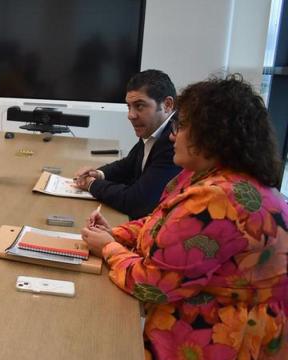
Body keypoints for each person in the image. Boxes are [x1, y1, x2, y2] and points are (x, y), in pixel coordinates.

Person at [81, 74, 288, 359]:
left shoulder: (219, 198)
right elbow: (163, 223)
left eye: (181, 125)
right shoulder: (206, 176)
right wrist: (117, 234)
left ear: (213, 134)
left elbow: (153, 284)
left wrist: (107, 247)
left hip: (224, 339)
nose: (172, 134)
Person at [73, 69, 181, 219]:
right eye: (128, 107)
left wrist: (91, 184)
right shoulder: (154, 127)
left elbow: (137, 202)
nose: (130, 115)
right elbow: (129, 165)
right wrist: (98, 174)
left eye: (139, 106)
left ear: (167, 105)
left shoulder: (174, 141)